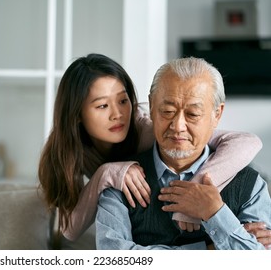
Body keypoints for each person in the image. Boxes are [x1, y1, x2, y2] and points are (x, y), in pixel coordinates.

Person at [38, 53, 264, 243]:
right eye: (102, 105)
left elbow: (247, 142)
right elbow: (70, 229)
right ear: (77, 114)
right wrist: (105, 173)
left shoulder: (149, 128)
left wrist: (195, 192)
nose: (118, 114)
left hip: (227, 172)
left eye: (123, 100)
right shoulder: (65, 151)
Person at [95, 56, 271, 250]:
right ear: (152, 107)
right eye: (168, 111)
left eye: (192, 114)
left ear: (217, 114)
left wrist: (214, 211)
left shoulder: (250, 184)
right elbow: (113, 260)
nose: (178, 126)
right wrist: (211, 248)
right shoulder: (122, 182)